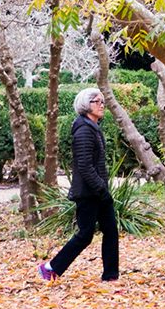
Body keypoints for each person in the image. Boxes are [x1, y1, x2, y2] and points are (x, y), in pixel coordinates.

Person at [40, 88, 119, 282]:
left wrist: (103, 190)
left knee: (111, 231)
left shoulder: (93, 127)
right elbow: (84, 166)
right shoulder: (83, 129)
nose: (102, 105)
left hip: (98, 191)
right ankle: (50, 267)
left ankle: (111, 276)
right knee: (85, 235)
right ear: (85, 105)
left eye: (103, 102)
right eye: (96, 101)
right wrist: (101, 189)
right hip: (88, 192)